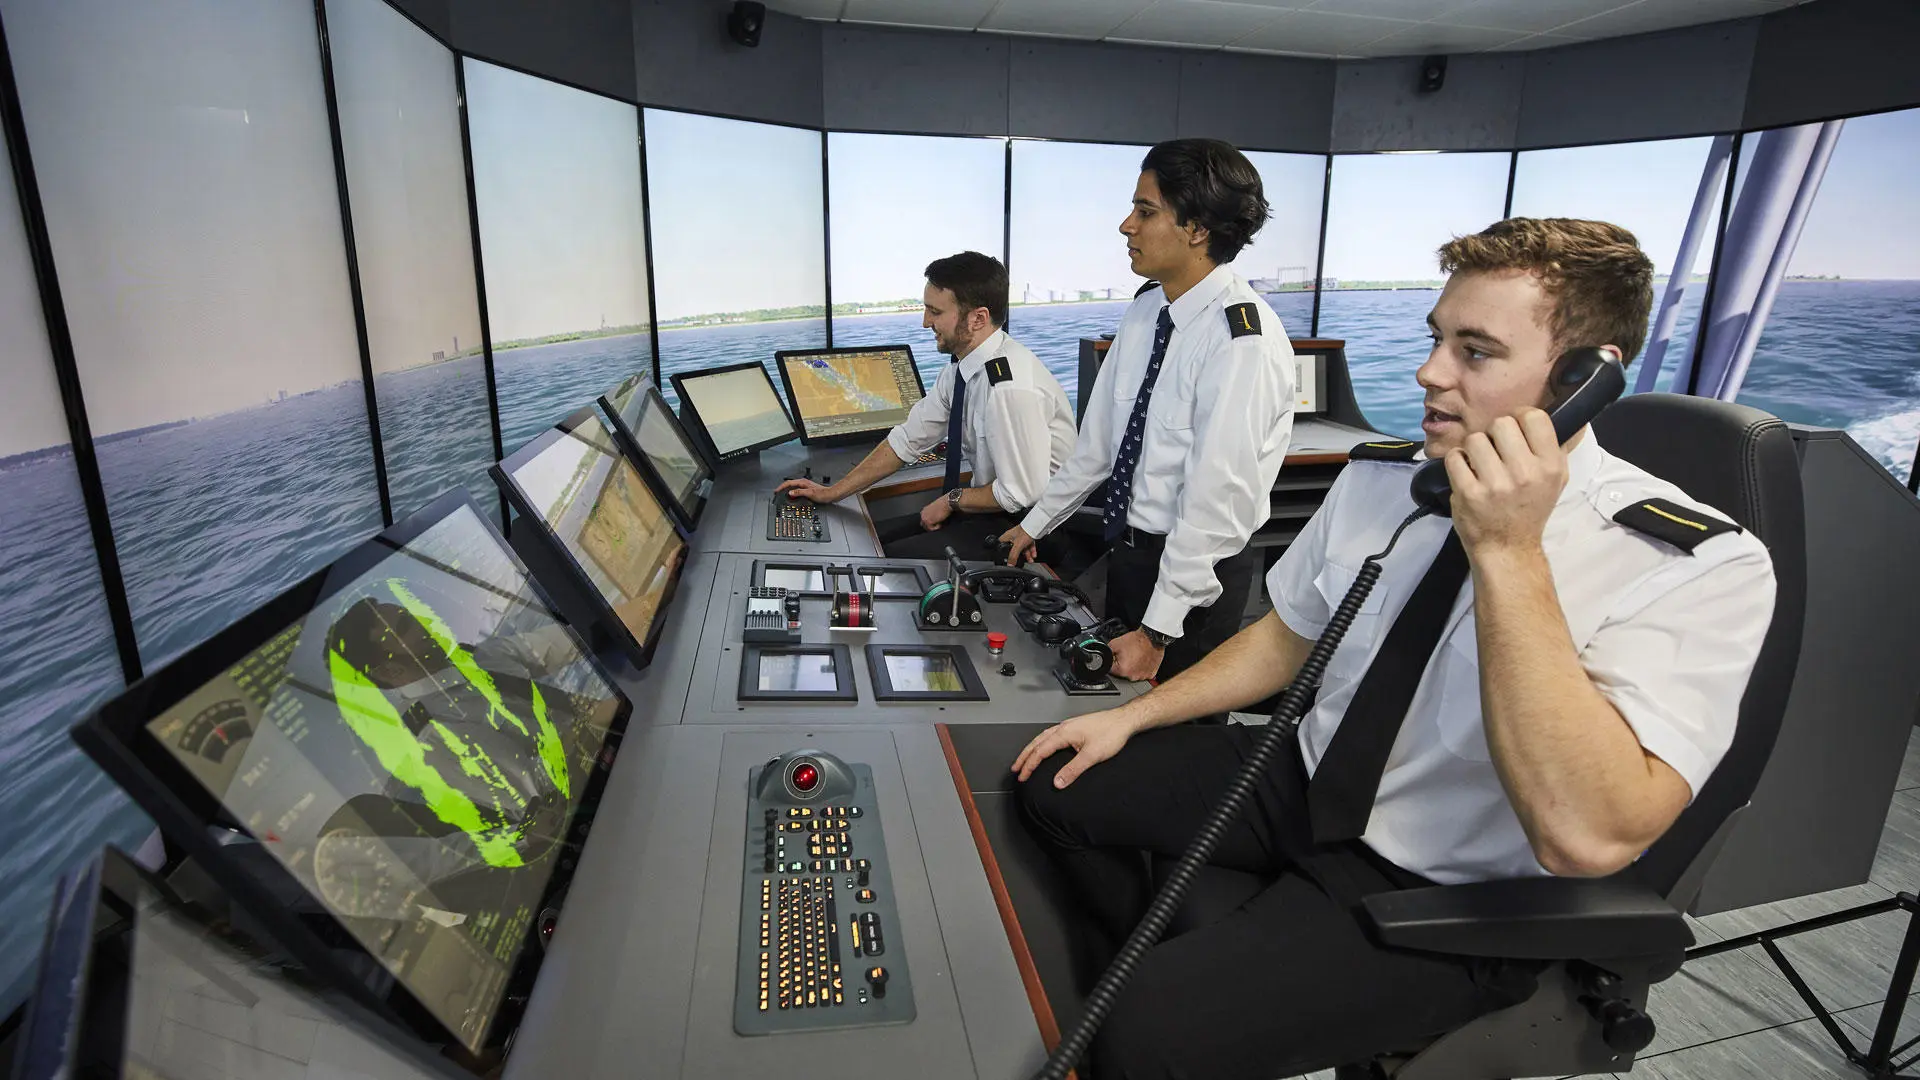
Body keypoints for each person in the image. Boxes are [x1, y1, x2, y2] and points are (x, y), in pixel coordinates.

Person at [1011, 218, 1778, 1079]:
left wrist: (1510, 551)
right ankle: (1158, 971)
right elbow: (1285, 637)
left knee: (1136, 1036)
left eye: (1475, 352)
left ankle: (1162, 1009)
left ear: (1580, 381)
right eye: (1436, 340)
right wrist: (1137, 717)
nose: (1429, 372)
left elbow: (1589, 838)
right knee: (1052, 785)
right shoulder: (1388, 479)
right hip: (1302, 780)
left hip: (1443, 882)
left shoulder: (1696, 562)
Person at [1001, 139, 1295, 684]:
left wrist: (1159, 631)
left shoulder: (1241, 341)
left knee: (1174, 746)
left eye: (1145, 211)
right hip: (1132, 558)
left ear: (1197, 229)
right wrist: (1034, 524)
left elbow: (1215, 504)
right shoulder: (1145, 311)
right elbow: (1099, 447)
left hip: (1194, 584)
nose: (1126, 226)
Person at [775, 252, 1076, 561]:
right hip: (991, 508)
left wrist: (950, 501)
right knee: (876, 540)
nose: (924, 322)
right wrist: (832, 492)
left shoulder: (1009, 388)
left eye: (935, 311)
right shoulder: (961, 371)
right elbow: (907, 439)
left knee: (887, 560)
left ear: (978, 319)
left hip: (1031, 528)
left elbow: (1019, 493)